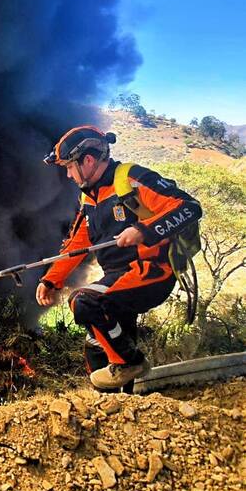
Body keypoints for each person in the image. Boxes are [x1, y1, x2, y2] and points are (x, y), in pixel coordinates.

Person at [37, 126, 202, 390]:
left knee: (84, 302)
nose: (68, 174)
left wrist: (143, 230)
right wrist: (51, 280)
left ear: (88, 160)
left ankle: (130, 363)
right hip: (119, 278)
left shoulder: (130, 179)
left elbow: (189, 207)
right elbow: (78, 243)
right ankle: (118, 410)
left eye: (69, 166)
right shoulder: (89, 197)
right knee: (98, 345)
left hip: (151, 273)